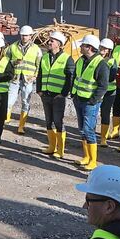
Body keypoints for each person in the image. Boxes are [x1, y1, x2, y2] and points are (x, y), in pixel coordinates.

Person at [72, 34, 110, 171]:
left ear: (89, 48)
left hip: (90, 102)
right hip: (79, 98)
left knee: (89, 130)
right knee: (82, 129)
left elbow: (103, 86)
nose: (80, 47)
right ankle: (86, 157)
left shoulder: (101, 64)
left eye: (83, 45)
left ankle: (93, 161)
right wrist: (73, 93)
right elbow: (76, 78)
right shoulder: (81, 60)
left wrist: (93, 101)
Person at [38, 31, 76, 159]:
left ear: (59, 44)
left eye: (52, 41)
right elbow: (40, 74)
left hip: (58, 96)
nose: (49, 42)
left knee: (58, 121)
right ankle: (51, 146)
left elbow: (70, 78)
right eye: (49, 40)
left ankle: (60, 150)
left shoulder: (67, 59)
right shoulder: (44, 57)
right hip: (46, 94)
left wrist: (63, 94)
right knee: (49, 121)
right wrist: (39, 90)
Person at [5, 25, 41, 134]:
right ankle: (5, 120)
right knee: (9, 102)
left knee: (25, 102)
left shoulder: (36, 49)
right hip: (15, 79)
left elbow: (39, 65)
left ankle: (21, 126)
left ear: (31, 36)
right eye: (23, 35)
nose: (25, 37)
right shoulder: (12, 47)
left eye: (27, 35)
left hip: (28, 80)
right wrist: (12, 62)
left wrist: (35, 76)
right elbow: (5, 60)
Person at [97, 39, 117, 147]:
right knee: (94, 113)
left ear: (109, 50)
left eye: (104, 48)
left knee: (105, 113)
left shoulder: (112, 61)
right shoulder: (95, 59)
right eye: (101, 47)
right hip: (98, 91)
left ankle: (103, 138)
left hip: (109, 92)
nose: (102, 50)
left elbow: (111, 77)